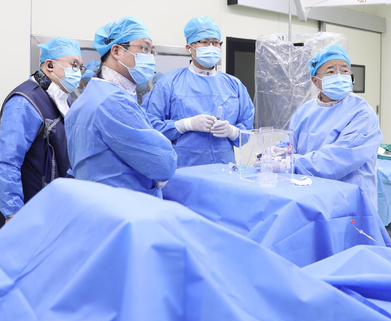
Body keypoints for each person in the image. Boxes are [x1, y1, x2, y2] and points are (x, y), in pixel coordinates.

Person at [65, 15, 176, 197]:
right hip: (124, 205)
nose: (150, 57)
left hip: (94, 202)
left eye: (152, 51)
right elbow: (164, 164)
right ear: (116, 51)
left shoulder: (88, 99)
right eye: (144, 48)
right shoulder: (114, 103)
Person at [0, 37, 83, 240]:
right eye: (74, 65)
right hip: (27, 209)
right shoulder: (25, 102)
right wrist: (13, 213)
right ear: (49, 65)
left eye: (80, 67)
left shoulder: (62, 100)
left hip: (51, 207)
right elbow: (6, 161)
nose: (78, 72)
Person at [142, 16, 254, 167]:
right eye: (204, 42)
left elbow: (246, 129)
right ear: (189, 48)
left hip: (223, 169)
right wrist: (185, 125)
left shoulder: (235, 85)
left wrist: (232, 131)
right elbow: (150, 126)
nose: (211, 46)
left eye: (215, 42)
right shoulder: (169, 82)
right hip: (182, 169)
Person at [285, 45, 382, 203]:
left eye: (344, 71)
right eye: (330, 71)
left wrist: (290, 163)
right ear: (315, 81)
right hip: (308, 194)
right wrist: (275, 155)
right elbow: (288, 144)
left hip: (348, 199)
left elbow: (338, 159)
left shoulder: (362, 113)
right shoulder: (304, 111)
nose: (339, 75)